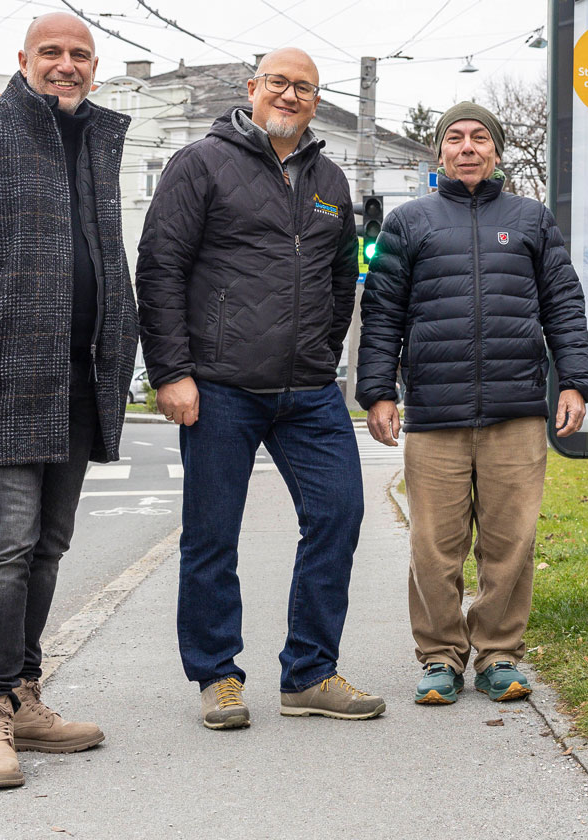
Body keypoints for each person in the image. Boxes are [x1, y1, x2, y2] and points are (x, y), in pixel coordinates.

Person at [0, 13, 137, 791]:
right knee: (8, 544)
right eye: (52, 52)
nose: (66, 64)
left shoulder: (98, 139)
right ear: (23, 59)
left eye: (80, 54)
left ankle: (26, 693)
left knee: (48, 545)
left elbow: (105, 255)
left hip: (81, 375)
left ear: (94, 66)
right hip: (6, 377)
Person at [136, 47, 385, 729]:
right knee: (212, 535)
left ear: (316, 100)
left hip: (308, 389)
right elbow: (160, 268)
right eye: (279, 82)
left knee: (338, 515)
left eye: (305, 87)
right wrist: (171, 372)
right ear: (253, 88)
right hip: (220, 386)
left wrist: (322, 354)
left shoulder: (329, 177)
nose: (291, 95)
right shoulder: (199, 164)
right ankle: (217, 674)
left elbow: (341, 278)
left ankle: (309, 673)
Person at [357, 101, 588, 705]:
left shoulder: (531, 219)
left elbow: (563, 304)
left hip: (516, 411)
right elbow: (382, 314)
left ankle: (498, 654)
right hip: (435, 414)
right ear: (439, 151)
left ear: (496, 150)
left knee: (509, 542)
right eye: (455, 138)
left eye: (479, 138)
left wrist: (574, 381)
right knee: (433, 546)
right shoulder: (408, 223)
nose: (467, 147)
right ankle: (440, 656)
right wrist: (379, 392)